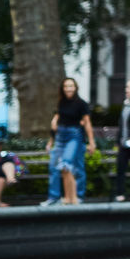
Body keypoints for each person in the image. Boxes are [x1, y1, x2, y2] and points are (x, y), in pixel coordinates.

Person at [44, 77, 95, 205]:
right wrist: (51, 141)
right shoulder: (61, 102)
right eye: (66, 86)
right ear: (62, 88)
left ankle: (76, 197)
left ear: (76, 87)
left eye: (71, 86)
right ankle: (54, 198)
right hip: (61, 135)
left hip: (74, 135)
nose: (68, 88)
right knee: (55, 166)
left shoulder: (81, 104)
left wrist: (91, 142)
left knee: (68, 164)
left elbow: (87, 123)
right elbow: (56, 122)